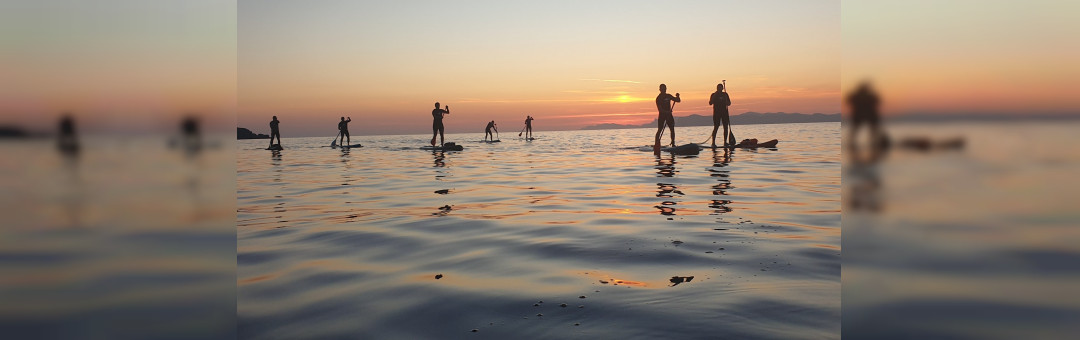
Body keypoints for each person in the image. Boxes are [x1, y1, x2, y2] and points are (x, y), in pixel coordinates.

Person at [846, 81, 883, 150]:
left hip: (867, 114)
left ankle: (874, 143)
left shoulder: (868, 96)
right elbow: (849, 100)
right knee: (856, 130)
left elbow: (876, 101)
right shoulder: (857, 96)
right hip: (861, 114)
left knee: (872, 130)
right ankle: (852, 143)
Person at [654, 84, 680, 148]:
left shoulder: (668, 95)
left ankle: (673, 143)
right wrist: (667, 112)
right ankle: (657, 143)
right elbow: (660, 110)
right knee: (660, 129)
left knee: (672, 129)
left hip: (669, 116)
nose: (664, 89)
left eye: (665, 88)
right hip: (662, 116)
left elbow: (678, 100)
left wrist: (678, 96)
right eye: (662, 88)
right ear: (660, 89)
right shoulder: (658, 98)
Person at [708, 83, 732, 147]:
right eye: (718, 88)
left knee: (725, 127)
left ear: (722, 88)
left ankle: (725, 142)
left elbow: (729, 103)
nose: (719, 89)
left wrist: (727, 103)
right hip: (716, 113)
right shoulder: (713, 94)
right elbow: (710, 103)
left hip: (724, 113)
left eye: (720, 88)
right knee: (716, 127)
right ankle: (713, 142)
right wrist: (715, 95)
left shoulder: (725, 94)